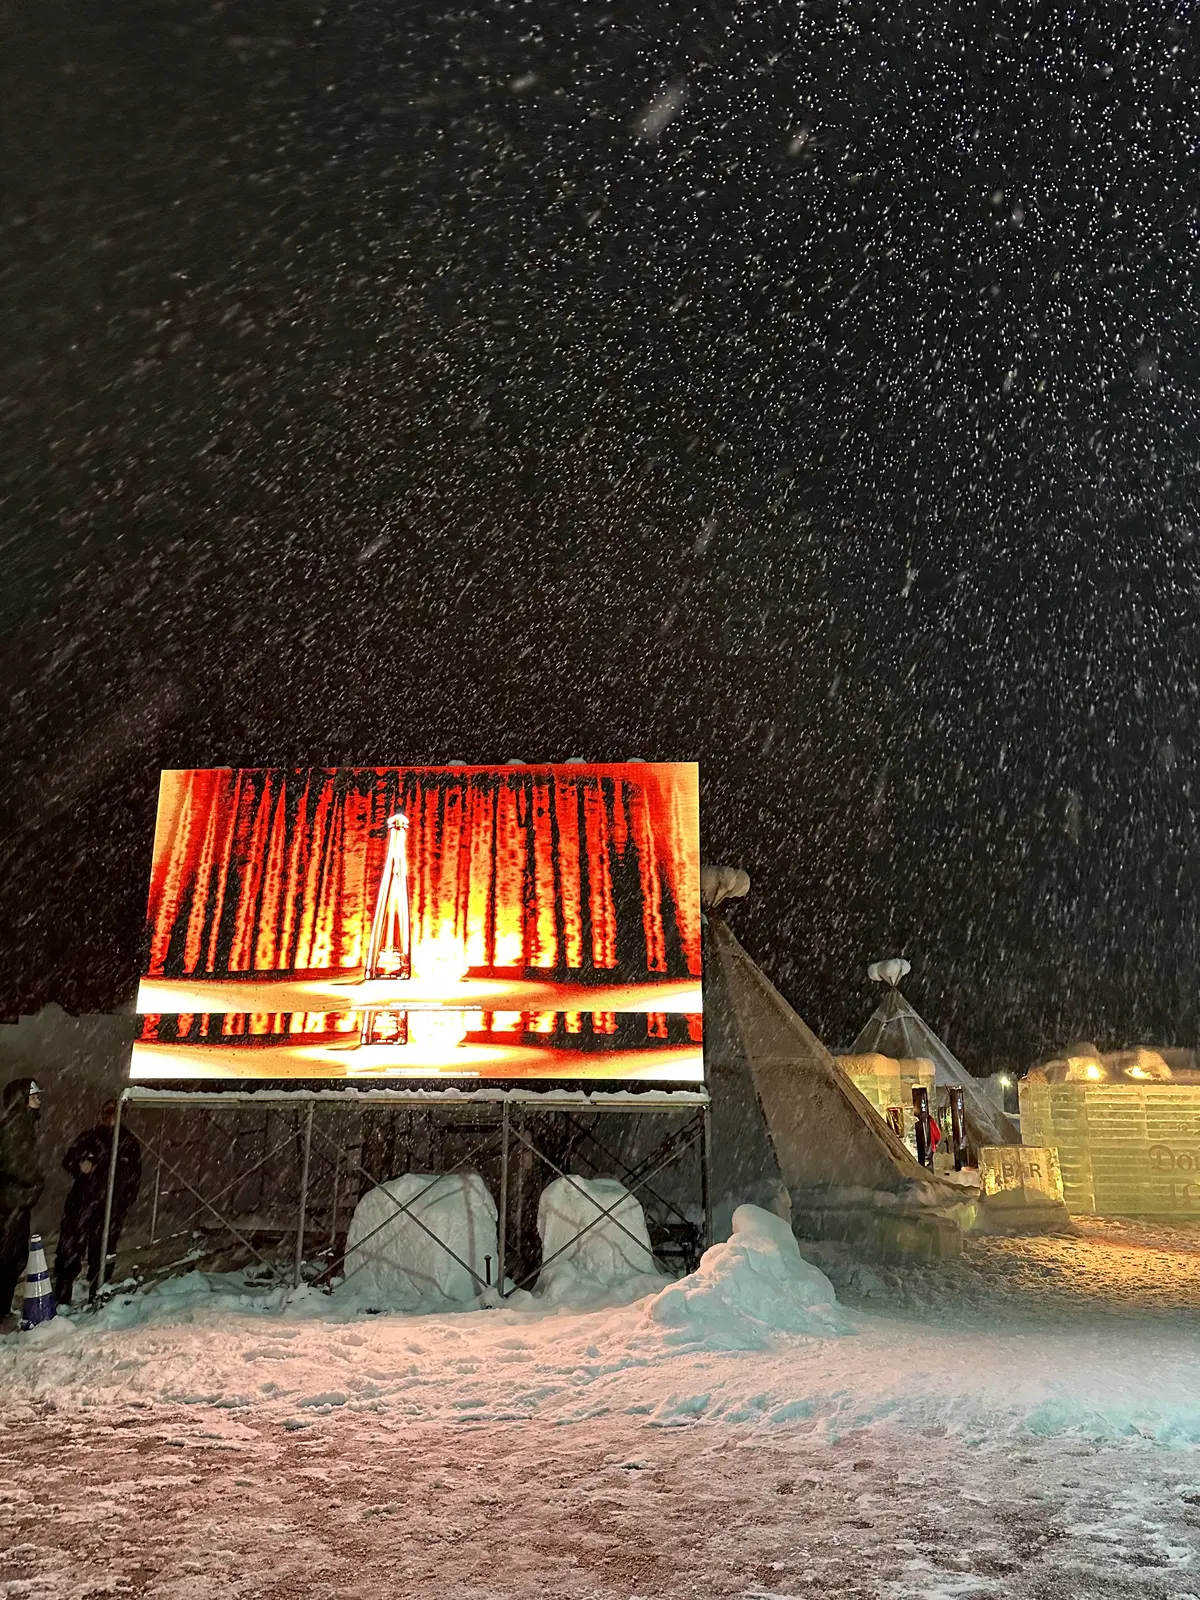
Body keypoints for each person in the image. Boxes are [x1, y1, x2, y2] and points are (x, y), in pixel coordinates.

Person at [52, 1100, 142, 1307]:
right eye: (107, 1112)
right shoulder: (89, 1138)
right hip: (81, 1205)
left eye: (115, 1113)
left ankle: (98, 1296)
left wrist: (121, 1205)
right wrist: (79, 1165)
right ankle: (62, 1299)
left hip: (109, 1209)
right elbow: (69, 1159)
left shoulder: (128, 1144)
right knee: (69, 1252)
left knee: (102, 1254)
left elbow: (134, 1179)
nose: (110, 1117)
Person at [0, 1078, 45, 1320]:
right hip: (11, 1204)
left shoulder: (20, 1125)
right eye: (34, 1096)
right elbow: (17, 1166)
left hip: (13, 1203)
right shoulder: (17, 1126)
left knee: (12, 1258)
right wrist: (37, 1183)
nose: (39, 1102)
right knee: (10, 1258)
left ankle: (3, 1311)